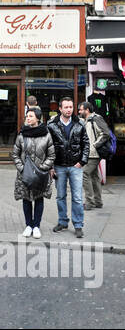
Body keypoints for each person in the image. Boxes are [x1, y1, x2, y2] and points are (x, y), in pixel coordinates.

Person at [47, 97, 89, 238]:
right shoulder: (51, 125)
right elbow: (49, 147)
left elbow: (86, 144)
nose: (69, 110)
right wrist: (51, 166)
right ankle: (63, 221)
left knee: (77, 197)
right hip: (59, 166)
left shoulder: (80, 123)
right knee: (60, 196)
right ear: (60, 109)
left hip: (75, 166)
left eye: (71, 107)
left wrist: (82, 161)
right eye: (66, 107)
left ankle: (78, 225)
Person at [13, 107, 55, 239]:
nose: (27, 118)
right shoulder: (22, 134)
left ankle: (36, 226)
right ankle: (28, 225)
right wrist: (22, 169)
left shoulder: (46, 135)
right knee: (26, 199)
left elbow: (51, 155)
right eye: (27, 116)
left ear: (38, 118)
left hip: (41, 174)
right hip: (24, 174)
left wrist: (42, 168)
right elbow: (15, 154)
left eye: (30, 116)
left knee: (38, 199)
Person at [78, 101, 110, 210]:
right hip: (90, 153)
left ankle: (90, 202)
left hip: (93, 154)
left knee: (84, 174)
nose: (79, 111)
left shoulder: (96, 118)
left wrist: (95, 145)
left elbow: (106, 133)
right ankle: (98, 202)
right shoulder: (87, 120)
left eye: (81, 109)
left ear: (87, 110)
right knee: (94, 176)